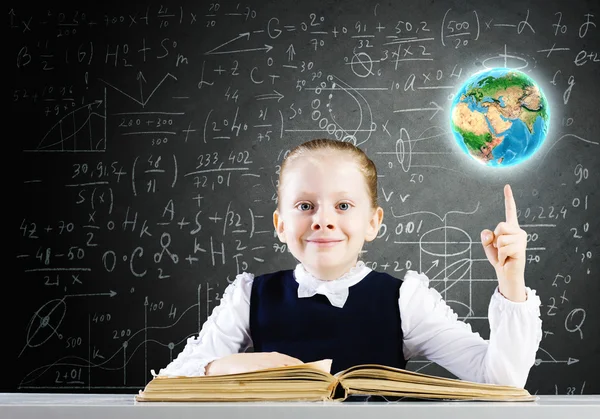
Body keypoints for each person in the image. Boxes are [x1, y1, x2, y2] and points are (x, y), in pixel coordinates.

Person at [155, 138, 542, 389]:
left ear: (373, 222)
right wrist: (252, 365)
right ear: (280, 224)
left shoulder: (405, 299)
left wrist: (512, 282)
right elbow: (171, 382)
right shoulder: (248, 296)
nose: (323, 219)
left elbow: (502, 379)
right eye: (305, 206)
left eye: (343, 205)